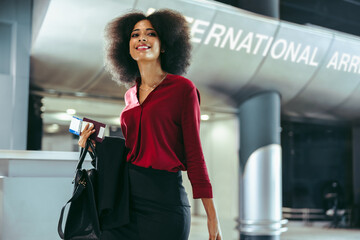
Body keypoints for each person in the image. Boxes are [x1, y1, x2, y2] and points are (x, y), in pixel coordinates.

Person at [78, 9, 222, 240]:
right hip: (125, 199)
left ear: (164, 45)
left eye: (150, 33)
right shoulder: (130, 95)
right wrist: (94, 144)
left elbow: (194, 153)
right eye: (135, 35)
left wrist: (212, 215)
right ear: (127, 47)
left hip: (165, 203)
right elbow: (133, 149)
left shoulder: (183, 89)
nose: (141, 38)